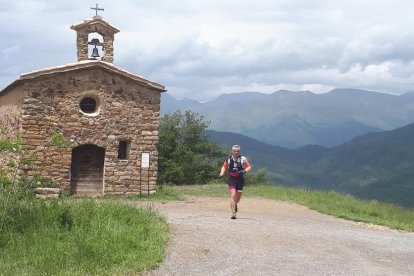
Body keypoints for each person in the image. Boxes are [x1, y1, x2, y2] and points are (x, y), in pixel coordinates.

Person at [219, 145, 252, 219]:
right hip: (231, 179)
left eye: (238, 151)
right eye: (235, 151)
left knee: (237, 199)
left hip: (240, 180)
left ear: (239, 151)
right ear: (232, 151)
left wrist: (244, 171)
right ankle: (233, 212)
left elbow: (249, 167)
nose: (236, 152)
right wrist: (221, 174)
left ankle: (235, 203)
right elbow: (224, 167)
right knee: (233, 194)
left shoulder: (243, 159)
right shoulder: (228, 159)